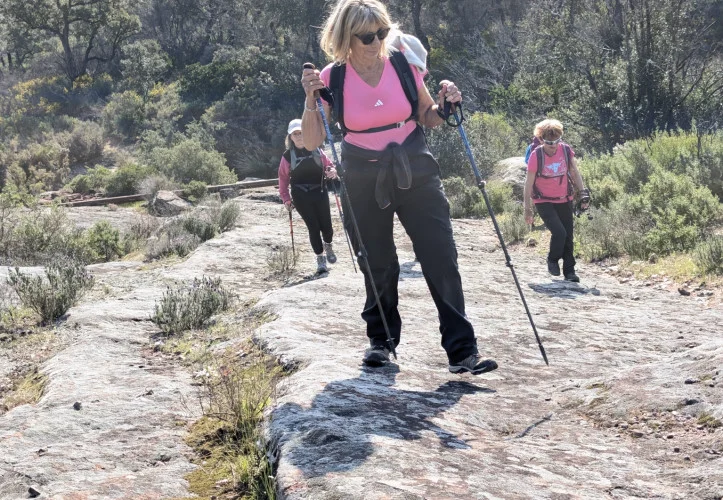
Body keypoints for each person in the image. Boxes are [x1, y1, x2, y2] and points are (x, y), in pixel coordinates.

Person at [300, 0, 497, 375]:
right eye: (366, 37)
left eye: (382, 33)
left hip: (415, 168)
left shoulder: (403, 65)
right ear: (346, 37)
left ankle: (462, 351)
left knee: (440, 255)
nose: (376, 42)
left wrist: (445, 106)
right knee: (377, 261)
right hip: (361, 175)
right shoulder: (332, 78)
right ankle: (381, 342)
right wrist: (311, 101)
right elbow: (311, 142)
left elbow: (426, 115)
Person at [523, 119, 590, 282]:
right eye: (549, 142)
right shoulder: (536, 155)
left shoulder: (565, 150)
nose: (553, 145)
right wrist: (527, 208)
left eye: (556, 141)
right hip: (543, 200)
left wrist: (582, 193)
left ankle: (569, 271)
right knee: (559, 232)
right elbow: (528, 183)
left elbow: (575, 172)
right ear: (541, 140)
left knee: (568, 235)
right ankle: (552, 259)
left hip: (564, 198)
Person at [278, 118, 338, 274]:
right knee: (313, 227)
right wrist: (286, 199)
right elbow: (283, 178)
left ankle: (328, 245)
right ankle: (320, 259)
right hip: (300, 196)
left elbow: (329, 165)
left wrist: (332, 171)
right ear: (290, 137)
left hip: (320, 191)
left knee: (327, 225)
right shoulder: (287, 156)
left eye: (301, 132)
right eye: (295, 134)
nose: (299, 136)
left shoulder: (316, 150)